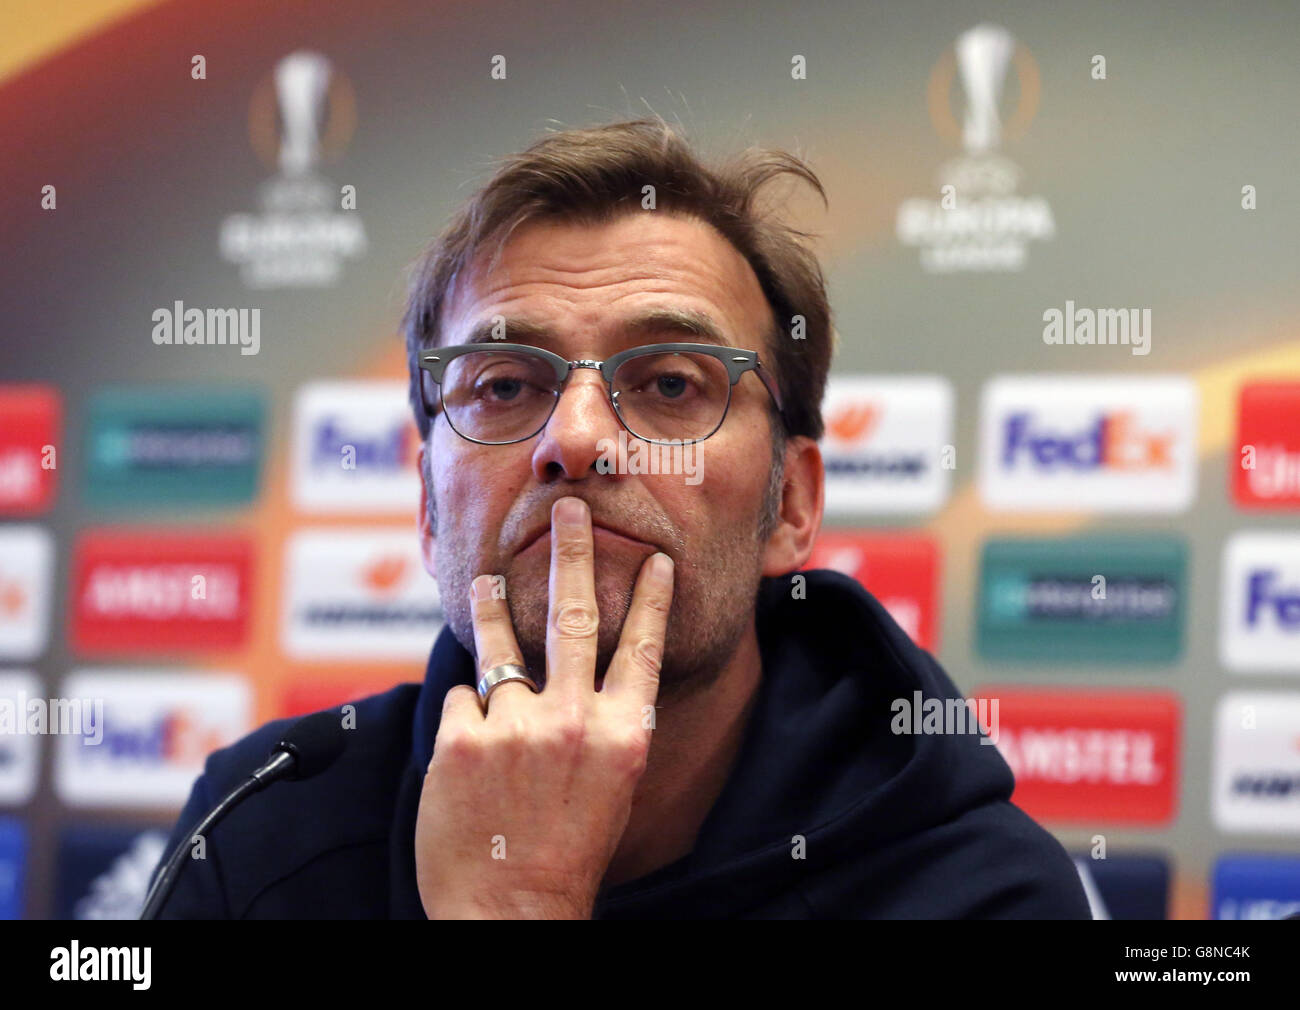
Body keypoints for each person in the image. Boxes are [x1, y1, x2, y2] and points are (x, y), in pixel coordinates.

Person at [154, 117, 1091, 919]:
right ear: (429, 508)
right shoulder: (257, 832)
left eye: (671, 383)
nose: (577, 438)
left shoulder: (987, 896)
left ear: (791, 505)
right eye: (507, 384)